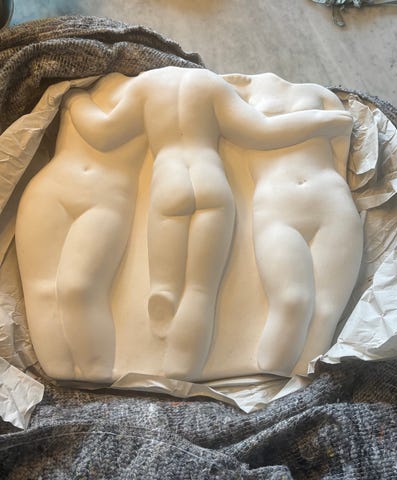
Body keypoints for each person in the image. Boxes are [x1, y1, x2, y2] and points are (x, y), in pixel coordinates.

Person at [66, 66, 353, 379]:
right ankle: (184, 365)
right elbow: (263, 132)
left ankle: (165, 295)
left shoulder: (146, 85)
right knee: (201, 290)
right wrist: (324, 120)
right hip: (210, 181)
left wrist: (75, 100)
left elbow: (103, 134)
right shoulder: (211, 85)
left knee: (165, 284)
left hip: (169, 181)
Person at [224, 73, 363, 375]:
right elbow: (253, 133)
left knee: (325, 313)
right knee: (292, 302)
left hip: (331, 198)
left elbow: (342, 148)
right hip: (277, 202)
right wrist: (322, 122)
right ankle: (269, 378)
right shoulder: (233, 91)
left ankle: (300, 389)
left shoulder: (319, 93)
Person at [16, 73, 148, 382]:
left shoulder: (146, 92)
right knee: (43, 289)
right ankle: (59, 370)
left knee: (78, 287)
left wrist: (74, 99)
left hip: (105, 198)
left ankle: (94, 368)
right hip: (50, 189)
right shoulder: (84, 85)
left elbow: (104, 132)